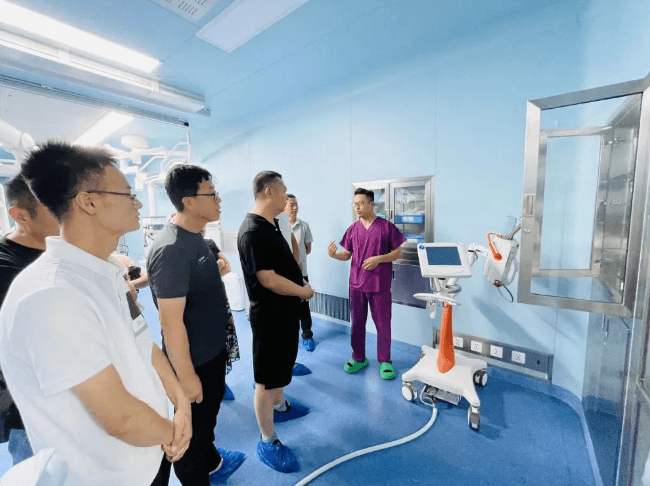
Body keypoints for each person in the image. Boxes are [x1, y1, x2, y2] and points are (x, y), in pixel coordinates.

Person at [0, 141, 191, 486]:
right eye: (127, 194)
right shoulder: (51, 293)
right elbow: (119, 418)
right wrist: (174, 433)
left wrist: (180, 402)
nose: (136, 203)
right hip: (108, 475)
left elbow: (143, 342)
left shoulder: (109, 270)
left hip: (151, 452)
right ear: (88, 201)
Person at [147, 165, 245, 485]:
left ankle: (213, 462)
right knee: (193, 437)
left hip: (211, 352)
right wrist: (187, 377)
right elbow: (170, 322)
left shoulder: (196, 237)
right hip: (194, 361)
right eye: (212, 193)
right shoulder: (171, 248)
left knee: (207, 422)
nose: (219, 200)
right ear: (188, 201)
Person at [237, 170, 314, 473]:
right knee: (266, 380)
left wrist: (298, 286)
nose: (286, 196)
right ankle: (268, 439)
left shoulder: (272, 224)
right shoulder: (252, 231)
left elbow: (284, 264)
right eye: (283, 191)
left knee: (283, 365)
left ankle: (280, 406)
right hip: (269, 316)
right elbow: (267, 279)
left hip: (285, 313)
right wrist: (302, 291)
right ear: (268, 191)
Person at [0, 174, 59, 466]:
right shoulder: (6, 266)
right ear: (20, 215)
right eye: (54, 208)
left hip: (84, 401)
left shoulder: (63, 251)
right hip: (33, 417)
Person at [328, 187, 405, 380]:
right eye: (354, 204)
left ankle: (385, 361)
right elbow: (346, 255)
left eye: (361, 203)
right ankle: (359, 358)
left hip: (379, 285)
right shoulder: (353, 229)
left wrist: (379, 259)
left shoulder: (386, 227)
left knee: (383, 324)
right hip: (356, 284)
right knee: (357, 323)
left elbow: (398, 252)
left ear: (371, 204)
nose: (357, 207)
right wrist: (334, 255)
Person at [202, 232, 236, 401]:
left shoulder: (209, 243)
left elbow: (228, 266)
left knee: (222, 340)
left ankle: (222, 381)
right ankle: (208, 384)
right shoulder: (185, 249)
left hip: (219, 299)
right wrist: (218, 265)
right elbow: (197, 279)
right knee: (205, 342)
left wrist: (216, 269)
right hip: (200, 304)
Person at [284, 194, 315, 352]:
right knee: (287, 308)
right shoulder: (279, 226)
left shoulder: (304, 226)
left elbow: (307, 249)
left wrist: (298, 259)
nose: (295, 207)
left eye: (296, 204)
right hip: (284, 275)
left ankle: (307, 336)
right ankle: (289, 338)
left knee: (304, 307)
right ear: (284, 206)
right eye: (291, 204)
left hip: (301, 273)